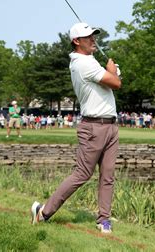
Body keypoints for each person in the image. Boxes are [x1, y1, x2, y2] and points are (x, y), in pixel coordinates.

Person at [31, 22, 121, 233]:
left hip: (109, 125)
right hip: (94, 126)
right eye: (88, 37)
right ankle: (43, 213)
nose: (93, 40)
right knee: (82, 174)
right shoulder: (83, 63)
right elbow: (116, 84)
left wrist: (113, 73)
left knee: (108, 176)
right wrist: (113, 72)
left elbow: (112, 83)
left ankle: (104, 221)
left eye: (94, 36)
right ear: (76, 41)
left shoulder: (90, 62)